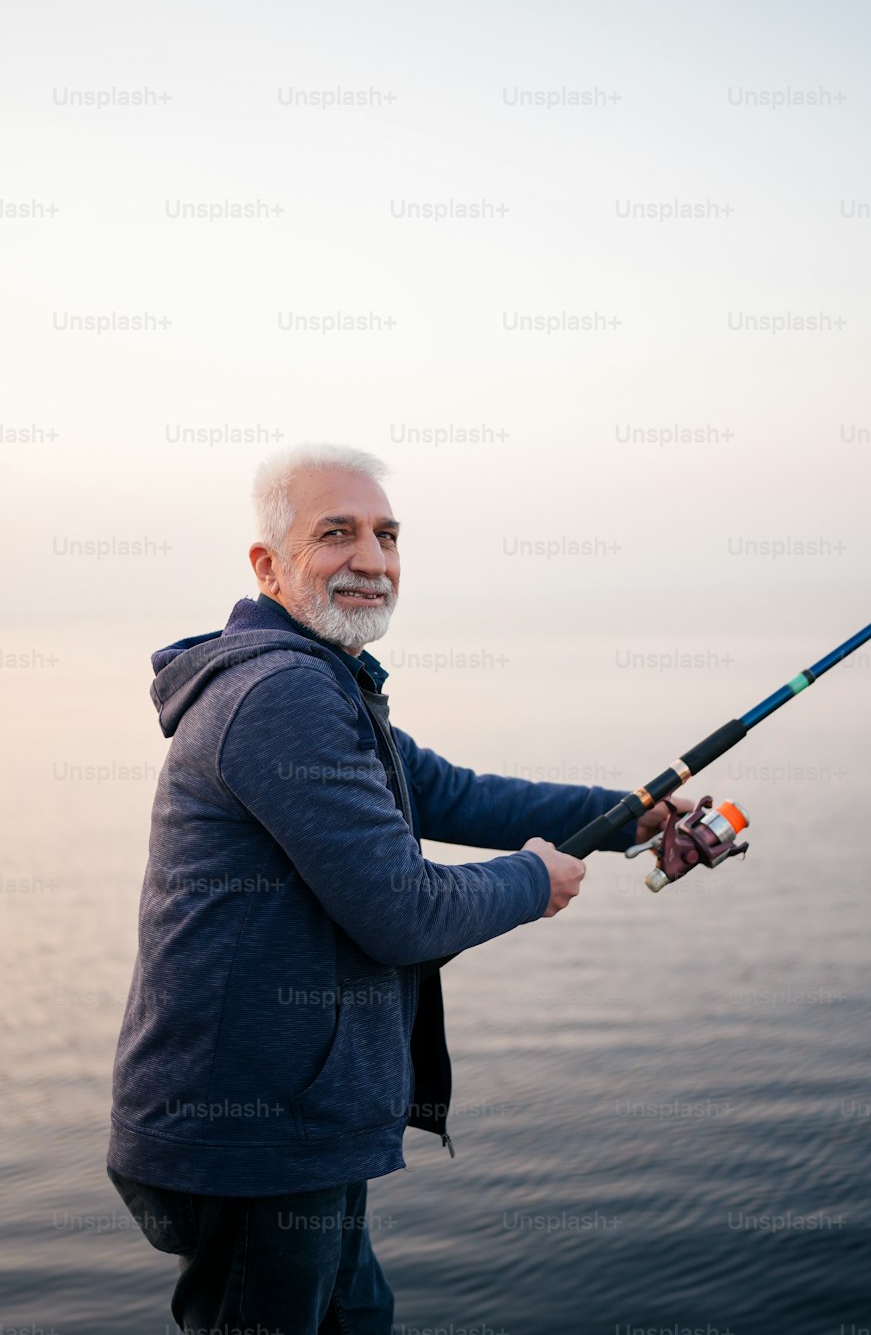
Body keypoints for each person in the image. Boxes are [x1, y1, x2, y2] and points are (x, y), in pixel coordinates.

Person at [107, 441, 686, 1334]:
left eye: (387, 535)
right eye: (336, 533)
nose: (372, 561)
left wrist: (631, 814)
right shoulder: (282, 695)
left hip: (297, 1127)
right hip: (253, 1142)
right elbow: (402, 913)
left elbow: (449, 793)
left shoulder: (322, 682)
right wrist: (534, 880)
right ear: (268, 564)